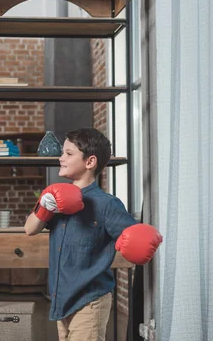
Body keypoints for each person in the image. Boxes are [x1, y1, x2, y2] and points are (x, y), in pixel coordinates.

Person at [24, 128, 138, 341]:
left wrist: (137, 241)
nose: (61, 158)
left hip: (89, 300)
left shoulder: (107, 204)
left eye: (68, 153)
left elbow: (135, 237)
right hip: (63, 299)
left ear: (90, 161)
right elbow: (30, 229)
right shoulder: (57, 198)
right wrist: (44, 206)